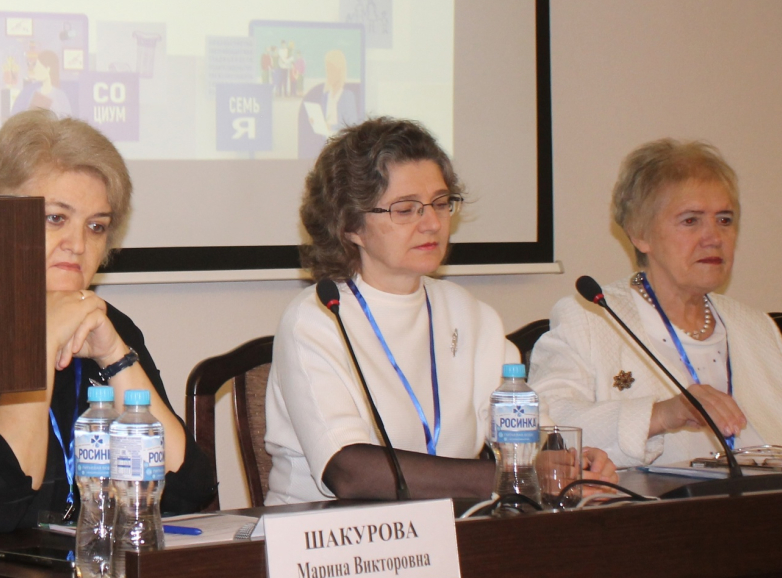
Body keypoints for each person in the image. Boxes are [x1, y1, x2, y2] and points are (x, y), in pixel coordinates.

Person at [264, 118, 616, 502]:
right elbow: (350, 473)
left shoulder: (470, 314)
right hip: (329, 532)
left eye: (441, 203)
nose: (432, 223)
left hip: (451, 525)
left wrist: (569, 463)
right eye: (406, 209)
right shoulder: (316, 319)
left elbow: (529, 436)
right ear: (350, 225)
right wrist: (516, 477)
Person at [0, 110, 216, 532]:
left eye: (96, 226)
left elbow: (186, 491)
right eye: (56, 218)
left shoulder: (108, 323)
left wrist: (116, 357)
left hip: (89, 561)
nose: (78, 244)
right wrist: (41, 344)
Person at [531, 140, 782, 467]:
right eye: (691, 220)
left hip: (768, 498)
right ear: (639, 233)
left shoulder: (758, 328)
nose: (714, 237)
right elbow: (545, 426)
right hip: (655, 500)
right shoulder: (591, 318)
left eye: (724, 220)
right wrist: (663, 414)